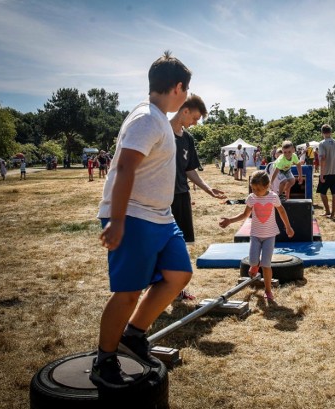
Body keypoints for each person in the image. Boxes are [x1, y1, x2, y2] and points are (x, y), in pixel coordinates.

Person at [92, 51, 193, 388]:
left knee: (179, 275)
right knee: (128, 293)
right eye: (187, 90)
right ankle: (104, 358)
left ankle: (133, 335)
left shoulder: (159, 118)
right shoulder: (147, 118)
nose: (187, 95)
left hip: (160, 218)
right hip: (134, 215)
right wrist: (117, 220)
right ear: (178, 87)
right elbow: (123, 167)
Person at [170, 95, 226, 301]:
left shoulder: (187, 139)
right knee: (161, 244)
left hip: (182, 196)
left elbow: (190, 170)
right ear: (184, 111)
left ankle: (176, 290)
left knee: (180, 244)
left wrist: (208, 189)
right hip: (161, 199)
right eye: (194, 118)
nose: (195, 123)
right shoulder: (161, 132)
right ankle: (159, 289)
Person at [219, 170, 294, 301]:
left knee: (266, 264)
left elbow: (281, 211)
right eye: (253, 188)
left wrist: (288, 226)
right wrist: (230, 220)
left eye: (258, 189)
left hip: (270, 235)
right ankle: (255, 265)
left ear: (267, 186)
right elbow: (244, 215)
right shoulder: (251, 198)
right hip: (255, 235)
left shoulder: (273, 197)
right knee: (253, 261)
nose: (255, 191)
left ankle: (268, 290)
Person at [316, 124, 335, 218]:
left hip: (326, 172)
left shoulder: (322, 143)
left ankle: (327, 211)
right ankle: (333, 214)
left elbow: (322, 159)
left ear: (322, 132)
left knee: (323, 193)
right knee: (334, 193)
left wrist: (321, 174)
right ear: (331, 132)